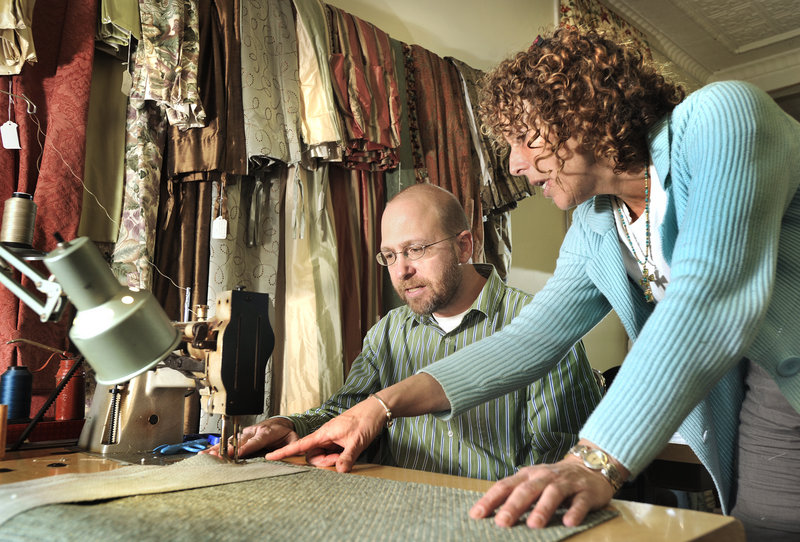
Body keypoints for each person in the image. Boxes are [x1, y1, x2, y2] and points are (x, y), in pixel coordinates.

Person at [266, 27, 800, 540]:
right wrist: (377, 407)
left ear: (584, 112)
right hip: (769, 383)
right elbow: (525, 342)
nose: (517, 165)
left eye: (525, 139)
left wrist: (593, 459)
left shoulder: (722, 116)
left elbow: (710, 296)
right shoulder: (596, 224)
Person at [206, 183, 602, 480]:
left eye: (415, 250)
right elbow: (347, 411)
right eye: (391, 256)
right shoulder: (389, 332)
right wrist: (292, 426)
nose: (402, 271)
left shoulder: (541, 325)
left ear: (465, 246)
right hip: (395, 508)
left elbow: (557, 463)